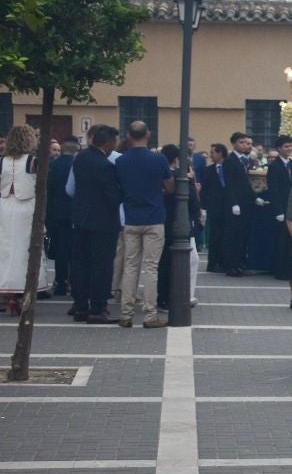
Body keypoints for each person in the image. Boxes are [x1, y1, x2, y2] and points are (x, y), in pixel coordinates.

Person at [114, 121, 173, 328]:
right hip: (154, 217)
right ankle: (150, 315)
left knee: (130, 267)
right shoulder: (159, 159)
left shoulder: (121, 161)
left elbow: (118, 187)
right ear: (148, 134)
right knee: (151, 268)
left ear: (128, 136)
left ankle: (126, 313)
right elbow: (169, 186)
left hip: (130, 218)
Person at [69, 125, 123, 323]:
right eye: (114, 142)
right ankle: (98, 308)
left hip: (81, 218)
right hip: (103, 222)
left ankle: (81, 305)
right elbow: (113, 197)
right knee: (102, 266)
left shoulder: (81, 158)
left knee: (81, 263)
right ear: (108, 142)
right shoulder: (105, 165)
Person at [0, 125, 51, 313]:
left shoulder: (2, 161)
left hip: (4, 207)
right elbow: (41, 186)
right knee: (25, 250)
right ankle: (22, 293)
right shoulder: (33, 161)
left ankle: (8, 294)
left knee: (6, 250)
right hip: (27, 207)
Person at [155, 144, 201, 312]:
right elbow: (193, 203)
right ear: (176, 160)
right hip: (181, 224)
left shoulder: (161, 175)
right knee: (187, 260)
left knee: (164, 261)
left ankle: (163, 298)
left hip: (162, 221)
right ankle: (180, 295)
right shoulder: (182, 179)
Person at [267, 136, 292, 307]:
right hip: (282, 208)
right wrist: (278, 210)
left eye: (291, 146)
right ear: (279, 148)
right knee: (283, 240)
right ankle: (281, 270)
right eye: (287, 146)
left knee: (290, 241)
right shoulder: (275, 166)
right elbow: (273, 189)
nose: (289, 149)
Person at [221, 132, 258, 277]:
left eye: (245, 142)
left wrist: (254, 197)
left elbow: (246, 183)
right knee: (233, 235)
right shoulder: (230, 160)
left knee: (242, 235)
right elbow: (229, 184)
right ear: (234, 144)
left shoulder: (244, 160)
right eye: (241, 142)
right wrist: (234, 203)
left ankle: (239, 263)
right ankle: (231, 265)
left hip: (245, 202)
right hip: (235, 204)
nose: (244, 145)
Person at [47, 136, 79, 296]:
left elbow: (49, 191)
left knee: (60, 250)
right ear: (76, 150)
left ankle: (60, 282)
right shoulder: (77, 165)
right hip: (75, 213)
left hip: (57, 213)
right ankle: (73, 282)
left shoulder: (53, 166)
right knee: (75, 250)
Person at [200, 144, 228, 273]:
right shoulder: (209, 170)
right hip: (214, 207)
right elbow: (204, 190)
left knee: (225, 236)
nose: (211, 155)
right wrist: (204, 206)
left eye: (213, 152)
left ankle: (224, 262)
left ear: (220, 153)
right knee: (214, 235)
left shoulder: (228, 168)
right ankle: (213, 263)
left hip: (227, 206)